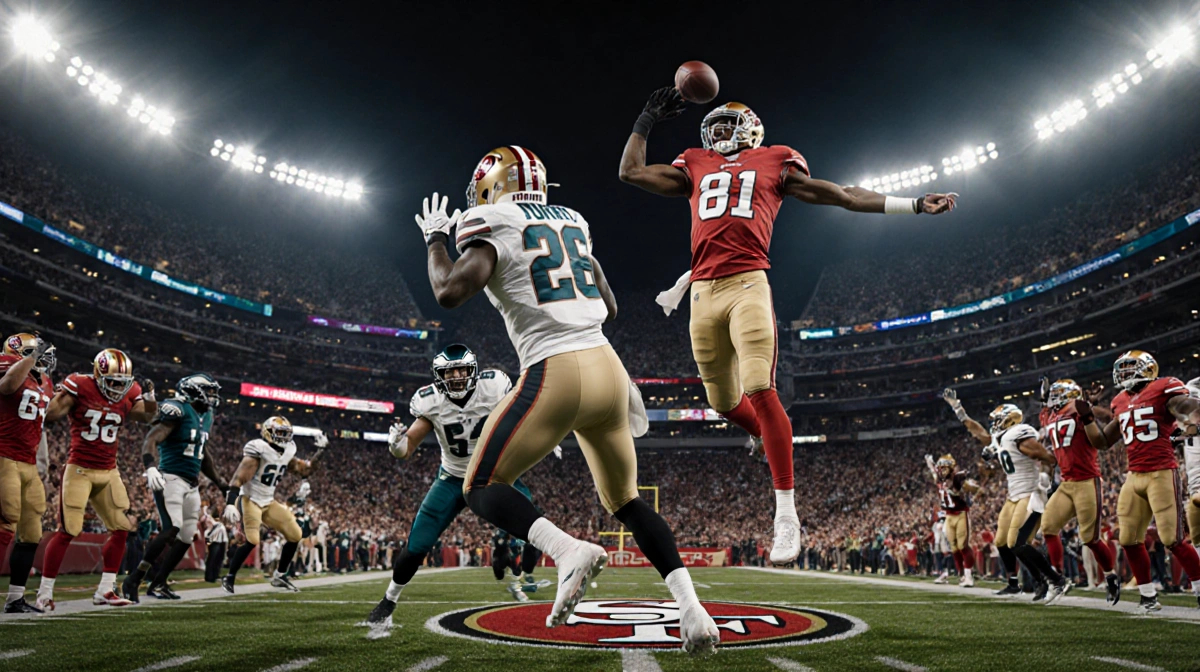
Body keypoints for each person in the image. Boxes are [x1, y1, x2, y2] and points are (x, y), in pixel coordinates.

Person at [618, 88, 958, 564]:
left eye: (726, 125)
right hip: (701, 291)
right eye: (711, 126)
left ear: (752, 128)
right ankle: (765, 432)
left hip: (747, 283)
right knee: (720, 401)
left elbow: (843, 195)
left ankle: (785, 513)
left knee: (760, 385)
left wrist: (915, 205)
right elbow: (630, 172)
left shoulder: (775, 160)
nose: (717, 133)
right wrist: (646, 118)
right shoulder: (695, 161)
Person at [413, 145, 718, 654]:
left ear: (492, 186)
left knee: (481, 484)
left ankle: (566, 549)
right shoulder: (571, 220)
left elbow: (447, 291)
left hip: (556, 370)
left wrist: (434, 240)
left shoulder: (491, 221)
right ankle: (692, 609)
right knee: (627, 501)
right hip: (609, 371)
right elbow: (611, 307)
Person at [366, 344, 547, 624]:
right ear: (439, 377)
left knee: (535, 526)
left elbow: (520, 417)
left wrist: (544, 435)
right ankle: (388, 600)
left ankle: (508, 560)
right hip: (452, 477)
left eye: (462, 369)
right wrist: (396, 446)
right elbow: (409, 445)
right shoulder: (431, 401)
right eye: (450, 372)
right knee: (416, 545)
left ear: (473, 370)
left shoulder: (494, 387)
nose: (457, 377)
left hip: (492, 473)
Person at [38, 349, 157, 610]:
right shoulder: (80, 385)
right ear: (98, 373)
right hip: (79, 469)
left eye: (121, 383)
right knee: (68, 530)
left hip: (109, 470)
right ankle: (44, 592)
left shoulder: (129, 392)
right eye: (112, 381)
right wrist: (56, 395)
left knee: (122, 527)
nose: (116, 388)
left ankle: (105, 589)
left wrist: (149, 397)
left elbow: (148, 416)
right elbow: (50, 415)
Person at [1082, 351, 1200, 612]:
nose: (1123, 374)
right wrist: (1088, 419)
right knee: (1129, 539)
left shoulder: (1163, 387)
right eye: (1121, 369)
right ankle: (1147, 595)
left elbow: (1184, 405)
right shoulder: (1119, 400)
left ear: (1148, 369)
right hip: (1134, 475)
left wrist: (1191, 417)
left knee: (1173, 539)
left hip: (1161, 471)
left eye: (1129, 368)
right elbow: (1102, 442)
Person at [944, 391, 1070, 603]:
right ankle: (1016, 583)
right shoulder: (1000, 438)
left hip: (1028, 493)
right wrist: (958, 409)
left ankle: (1054, 580)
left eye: (997, 420)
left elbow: (1047, 457)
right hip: (1013, 496)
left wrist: (1044, 483)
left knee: (1017, 542)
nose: (993, 424)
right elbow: (978, 431)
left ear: (1009, 419)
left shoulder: (1019, 433)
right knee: (1001, 541)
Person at [121, 373, 228, 603]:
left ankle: (159, 582)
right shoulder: (177, 409)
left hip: (191, 484)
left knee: (187, 535)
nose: (211, 396)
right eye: (207, 391)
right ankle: (134, 579)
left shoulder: (206, 415)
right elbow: (151, 438)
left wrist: (220, 482)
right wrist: (150, 466)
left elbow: (203, 452)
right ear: (193, 391)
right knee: (171, 529)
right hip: (170, 478)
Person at [1037, 379, 1122, 605]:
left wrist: (1094, 408)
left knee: (1090, 539)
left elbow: (1102, 419)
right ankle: (1057, 579)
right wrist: (1044, 394)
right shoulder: (1051, 414)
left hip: (1087, 481)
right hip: (1066, 483)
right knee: (1048, 527)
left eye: (1057, 393)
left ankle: (1111, 576)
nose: (1052, 397)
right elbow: (1044, 409)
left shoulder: (1077, 408)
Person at [221, 416, 326, 593]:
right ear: (268, 432)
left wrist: (321, 451)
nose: (284, 438)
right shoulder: (258, 449)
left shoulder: (287, 451)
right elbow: (238, 478)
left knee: (295, 534)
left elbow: (305, 471)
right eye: (280, 433)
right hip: (251, 499)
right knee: (252, 540)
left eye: (286, 434)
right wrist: (231, 503)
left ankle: (280, 575)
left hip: (268, 501)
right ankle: (229, 576)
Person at [0, 333, 55, 613]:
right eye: (37, 352)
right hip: (4, 456)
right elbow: (8, 386)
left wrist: (44, 463)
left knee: (32, 531)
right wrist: (30, 358)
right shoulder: (5, 363)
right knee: (5, 523)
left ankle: (15, 597)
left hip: (29, 463)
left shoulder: (44, 383)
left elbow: (41, 424)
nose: (43, 358)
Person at [923, 454, 978, 586]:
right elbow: (933, 471)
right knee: (953, 548)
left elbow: (971, 487)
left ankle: (969, 575)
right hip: (948, 515)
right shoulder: (940, 479)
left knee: (963, 545)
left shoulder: (957, 479)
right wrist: (929, 462)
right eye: (940, 468)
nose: (941, 471)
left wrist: (963, 487)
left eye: (944, 468)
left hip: (960, 514)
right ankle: (961, 576)